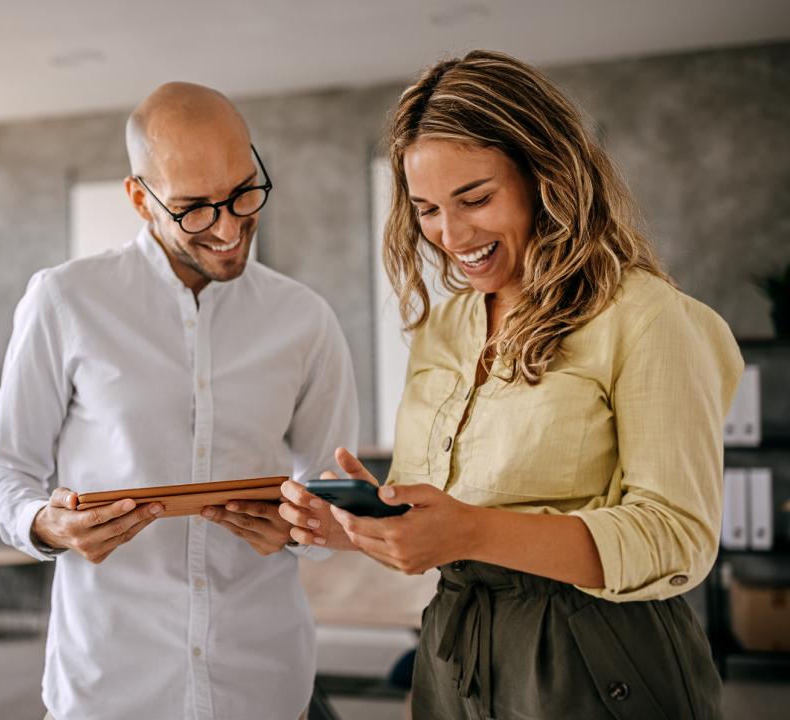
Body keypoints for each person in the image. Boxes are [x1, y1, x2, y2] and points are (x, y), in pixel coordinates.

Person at [280, 50, 742, 719]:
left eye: (476, 198)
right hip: (456, 655)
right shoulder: (444, 329)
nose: (450, 234)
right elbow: (438, 523)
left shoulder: (646, 318)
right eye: (427, 209)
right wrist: (353, 527)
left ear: (544, 175)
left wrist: (470, 533)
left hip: (598, 658)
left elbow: (676, 539)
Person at [0, 82, 359, 720]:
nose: (229, 226)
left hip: (264, 681)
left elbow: (333, 488)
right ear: (139, 197)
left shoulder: (306, 320)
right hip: (109, 682)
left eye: (243, 192)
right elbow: (4, 472)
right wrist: (51, 525)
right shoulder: (64, 301)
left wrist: (302, 528)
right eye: (195, 208)